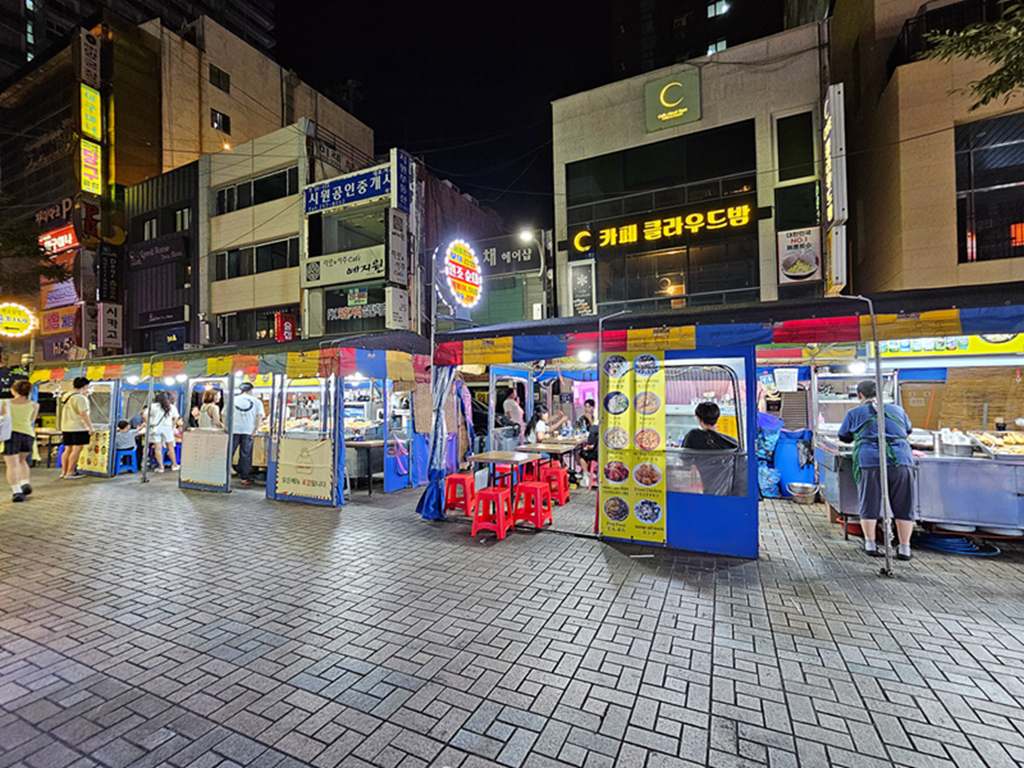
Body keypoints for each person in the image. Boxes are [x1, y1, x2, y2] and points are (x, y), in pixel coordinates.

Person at [838, 379, 915, 561]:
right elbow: (908, 430)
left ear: (859, 395)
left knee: (869, 501)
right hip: (901, 460)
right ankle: (905, 547)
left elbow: (844, 436)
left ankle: (870, 544)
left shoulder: (855, 412)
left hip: (871, 460)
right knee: (904, 504)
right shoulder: (898, 410)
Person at [682, 402, 740, 496]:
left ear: (699, 419)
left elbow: (685, 463)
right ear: (717, 419)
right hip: (729, 491)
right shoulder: (732, 442)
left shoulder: (693, 436)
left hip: (705, 488)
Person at [4, 380, 39, 501]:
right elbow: (31, 421)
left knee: (11, 465)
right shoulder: (34, 405)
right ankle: (25, 482)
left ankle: (17, 492)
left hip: (10, 435)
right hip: (27, 434)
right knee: (22, 460)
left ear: (13, 391)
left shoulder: (5, 403)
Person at [60, 377, 94, 479]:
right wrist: (90, 427)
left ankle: (64, 471)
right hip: (78, 427)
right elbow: (83, 413)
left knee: (68, 449)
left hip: (66, 426)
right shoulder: (80, 398)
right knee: (76, 449)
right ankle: (70, 472)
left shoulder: (66, 395)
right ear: (84, 386)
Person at [232, 382, 264, 485]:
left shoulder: (233, 399)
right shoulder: (257, 401)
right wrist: (256, 429)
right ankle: (244, 478)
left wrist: (227, 427)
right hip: (248, 431)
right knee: (245, 455)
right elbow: (259, 416)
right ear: (251, 390)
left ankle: (223, 475)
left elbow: (224, 414)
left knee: (229, 453)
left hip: (234, 430)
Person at [147, 391, 181, 473]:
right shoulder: (172, 407)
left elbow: (145, 415)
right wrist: (172, 425)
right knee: (170, 447)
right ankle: (174, 465)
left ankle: (161, 467)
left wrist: (148, 423)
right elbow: (176, 417)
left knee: (157, 448)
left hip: (155, 428)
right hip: (167, 428)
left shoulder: (153, 406)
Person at [579, 420, 600, 490]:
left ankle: (586, 475)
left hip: (597, 456)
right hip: (607, 455)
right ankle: (589, 474)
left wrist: (585, 448)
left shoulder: (594, 428)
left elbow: (590, 446)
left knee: (581, 454)